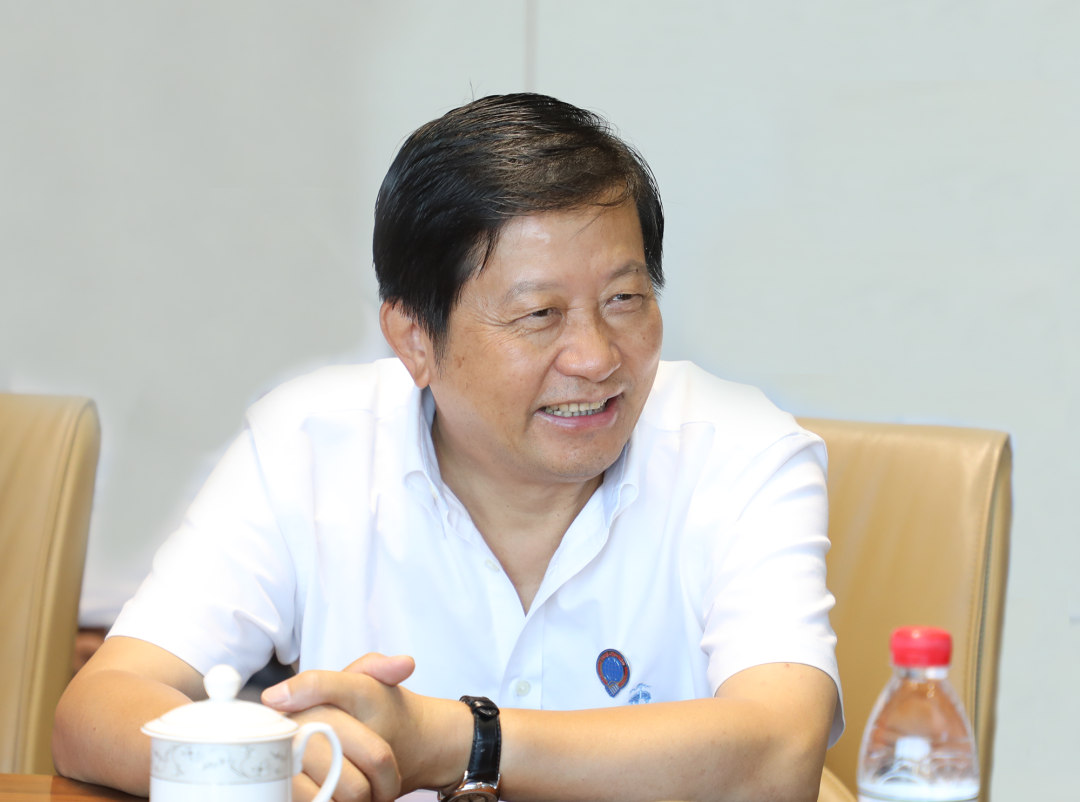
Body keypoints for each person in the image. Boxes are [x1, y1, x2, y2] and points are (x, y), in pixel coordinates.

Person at [54, 94, 842, 802]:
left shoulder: (742, 452)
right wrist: (274, 762)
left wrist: (453, 740)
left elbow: (781, 753)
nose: (596, 357)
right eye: (539, 315)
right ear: (413, 339)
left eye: (625, 299)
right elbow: (98, 708)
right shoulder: (309, 446)